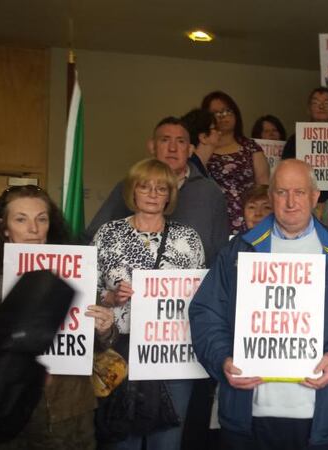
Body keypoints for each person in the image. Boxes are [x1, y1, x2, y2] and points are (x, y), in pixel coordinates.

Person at [189, 159, 328, 450]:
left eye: (299, 192)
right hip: (249, 416)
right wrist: (223, 358)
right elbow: (206, 312)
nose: (291, 202)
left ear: (316, 196)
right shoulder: (238, 250)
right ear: (270, 198)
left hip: (320, 416)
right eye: (281, 192)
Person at [0, 185, 115, 449]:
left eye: (41, 218)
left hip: (66, 413)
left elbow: (93, 342)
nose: (33, 229)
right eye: (21, 219)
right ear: (4, 227)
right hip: (5, 410)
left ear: (50, 225)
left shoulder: (76, 268)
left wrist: (103, 329)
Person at [93, 158, 205, 450]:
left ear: (170, 194)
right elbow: (88, 294)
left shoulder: (188, 239)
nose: (153, 194)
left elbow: (201, 299)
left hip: (172, 353)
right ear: (133, 191)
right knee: (121, 440)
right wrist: (111, 298)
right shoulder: (108, 234)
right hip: (120, 351)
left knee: (167, 441)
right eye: (145, 186)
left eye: (161, 188)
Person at [86, 116, 228, 266]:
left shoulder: (210, 191)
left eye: (180, 141)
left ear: (191, 150)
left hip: (193, 283)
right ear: (152, 146)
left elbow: (221, 249)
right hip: (130, 282)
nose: (172, 148)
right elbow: (93, 241)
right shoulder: (129, 185)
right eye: (165, 140)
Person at [202, 91, 270, 235]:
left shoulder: (251, 147)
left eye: (227, 111)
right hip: (211, 219)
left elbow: (263, 186)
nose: (223, 116)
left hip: (248, 220)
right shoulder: (202, 148)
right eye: (216, 113)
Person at [281, 87, 328, 160]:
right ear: (308, 110)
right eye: (315, 103)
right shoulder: (294, 141)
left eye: (327, 103)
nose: (321, 107)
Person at [182, 108, 221, 178]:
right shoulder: (192, 171)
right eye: (215, 128)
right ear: (203, 138)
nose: (220, 132)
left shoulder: (199, 166)